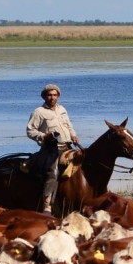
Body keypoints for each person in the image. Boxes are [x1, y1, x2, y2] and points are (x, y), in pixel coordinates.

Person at [26, 84, 80, 214]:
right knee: (53, 172)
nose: (52, 98)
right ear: (44, 96)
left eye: (55, 95)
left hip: (67, 146)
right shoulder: (39, 112)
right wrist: (45, 136)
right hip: (51, 149)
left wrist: (73, 135)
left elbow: (68, 124)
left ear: (58, 96)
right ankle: (47, 205)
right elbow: (30, 131)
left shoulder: (62, 109)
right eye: (49, 95)